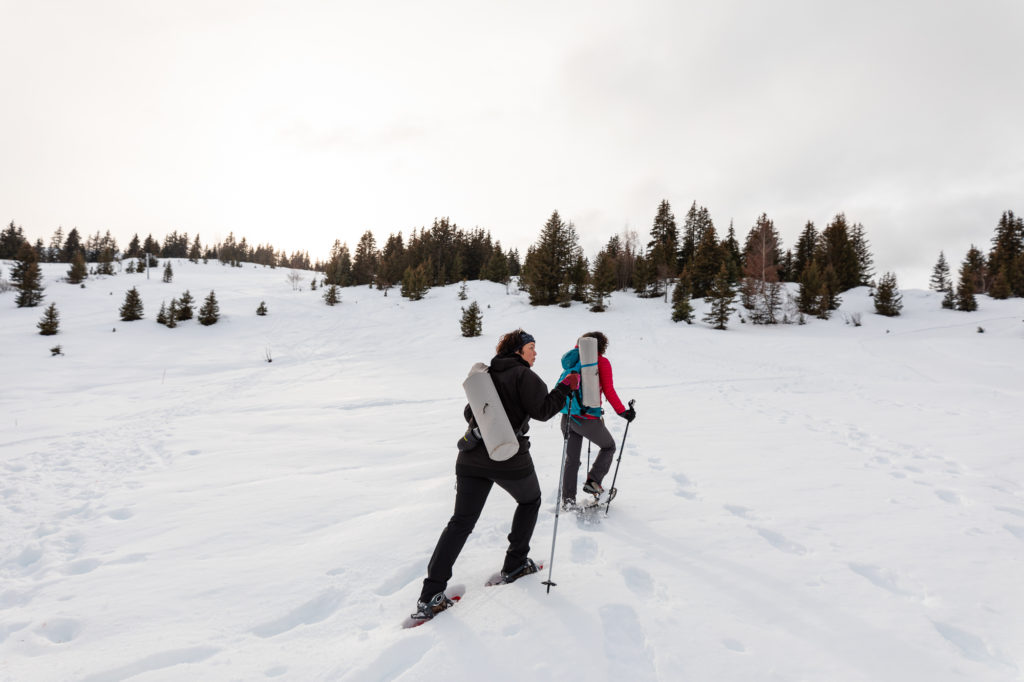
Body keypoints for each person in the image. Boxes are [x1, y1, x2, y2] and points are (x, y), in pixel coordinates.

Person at [412, 328, 580, 622]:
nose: (535, 353)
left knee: (460, 522)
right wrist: (566, 386)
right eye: (532, 347)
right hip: (507, 457)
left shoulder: (485, 375)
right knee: (530, 500)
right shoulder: (523, 374)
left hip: (470, 457)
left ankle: (431, 596)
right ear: (518, 350)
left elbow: (469, 412)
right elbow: (543, 410)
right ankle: (515, 563)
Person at [560, 331, 635, 508]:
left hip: (568, 416)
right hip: (587, 419)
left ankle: (568, 501)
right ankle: (593, 482)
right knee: (609, 446)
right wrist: (623, 412)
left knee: (572, 460)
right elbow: (609, 390)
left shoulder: (573, 360)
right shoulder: (601, 362)